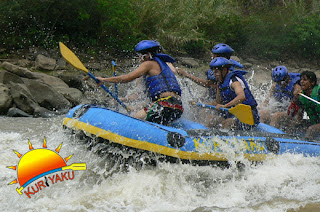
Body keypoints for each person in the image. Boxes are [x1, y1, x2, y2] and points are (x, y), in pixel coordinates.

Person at [96, 40, 184, 125]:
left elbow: (127, 78)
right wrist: (123, 100)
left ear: (148, 55)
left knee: (133, 120)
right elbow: (140, 96)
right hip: (178, 107)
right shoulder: (164, 66)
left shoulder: (148, 64)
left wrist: (104, 80)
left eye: (141, 56)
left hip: (163, 105)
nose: (139, 59)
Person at [205, 57, 260, 130]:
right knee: (211, 119)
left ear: (224, 70)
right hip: (232, 114)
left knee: (228, 123)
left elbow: (242, 97)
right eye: (214, 72)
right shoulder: (221, 83)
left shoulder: (234, 81)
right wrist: (218, 87)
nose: (215, 75)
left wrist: (225, 106)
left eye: (216, 72)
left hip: (249, 115)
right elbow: (218, 102)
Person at [176, 43, 244, 101]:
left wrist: (187, 75)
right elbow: (211, 88)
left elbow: (208, 84)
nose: (213, 58)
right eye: (213, 55)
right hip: (217, 99)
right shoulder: (219, 68)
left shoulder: (225, 72)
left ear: (224, 57)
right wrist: (201, 99)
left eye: (216, 56)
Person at [296, 71, 320, 140]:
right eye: (301, 79)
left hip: (316, 125)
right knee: (295, 126)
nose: (302, 82)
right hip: (315, 122)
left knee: (311, 129)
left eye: (305, 80)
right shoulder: (301, 95)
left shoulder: (318, 91)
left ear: (312, 82)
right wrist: (298, 123)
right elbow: (300, 111)